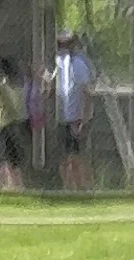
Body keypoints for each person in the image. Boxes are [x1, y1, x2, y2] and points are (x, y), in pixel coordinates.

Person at [52, 30, 93, 190]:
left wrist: (83, 118)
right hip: (62, 117)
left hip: (76, 116)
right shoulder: (58, 62)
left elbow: (85, 91)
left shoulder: (78, 63)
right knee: (64, 157)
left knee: (77, 156)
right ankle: (68, 188)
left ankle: (83, 187)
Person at [0, 57, 27, 187]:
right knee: (5, 159)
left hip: (7, 126)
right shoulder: (12, 87)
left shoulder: (7, 88)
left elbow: (12, 107)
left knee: (8, 159)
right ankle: (9, 187)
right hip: (4, 126)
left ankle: (13, 187)